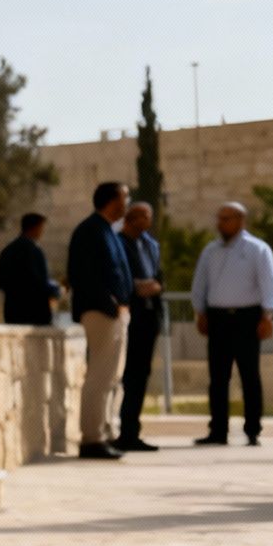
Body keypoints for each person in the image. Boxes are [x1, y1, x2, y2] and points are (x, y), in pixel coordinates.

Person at [190, 201, 273, 447]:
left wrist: (267, 315)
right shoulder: (211, 251)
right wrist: (200, 312)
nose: (221, 224)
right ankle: (218, 430)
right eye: (219, 219)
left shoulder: (257, 249)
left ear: (240, 220)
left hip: (247, 318)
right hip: (218, 318)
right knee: (218, 376)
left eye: (226, 219)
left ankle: (252, 430)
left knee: (249, 375)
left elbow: (269, 283)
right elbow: (200, 283)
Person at [66, 181, 134, 460]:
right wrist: (110, 304)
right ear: (113, 201)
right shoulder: (90, 230)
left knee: (112, 376)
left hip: (115, 313)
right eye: (125, 198)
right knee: (100, 375)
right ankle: (92, 437)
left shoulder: (107, 230)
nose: (127, 204)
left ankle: (104, 432)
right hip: (101, 311)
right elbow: (83, 274)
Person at [115, 202, 165, 452]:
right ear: (130, 218)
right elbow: (115, 275)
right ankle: (120, 430)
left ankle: (131, 431)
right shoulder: (118, 243)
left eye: (148, 216)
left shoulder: (150, 245)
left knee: (141, 374)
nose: (146, 220)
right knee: (125, 375)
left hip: (148, 316)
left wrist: (155, 286)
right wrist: (135, 288)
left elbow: (159, 276)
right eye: (141, 216)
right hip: (128, 315)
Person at [0, 212, 59, 325]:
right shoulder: (33, 251)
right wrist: (53, 291)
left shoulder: (8, 251)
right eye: (41, 228)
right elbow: (37, 281)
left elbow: (1, 282)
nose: (42, 231)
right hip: (35, 313)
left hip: (12, 311)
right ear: (35, 228)